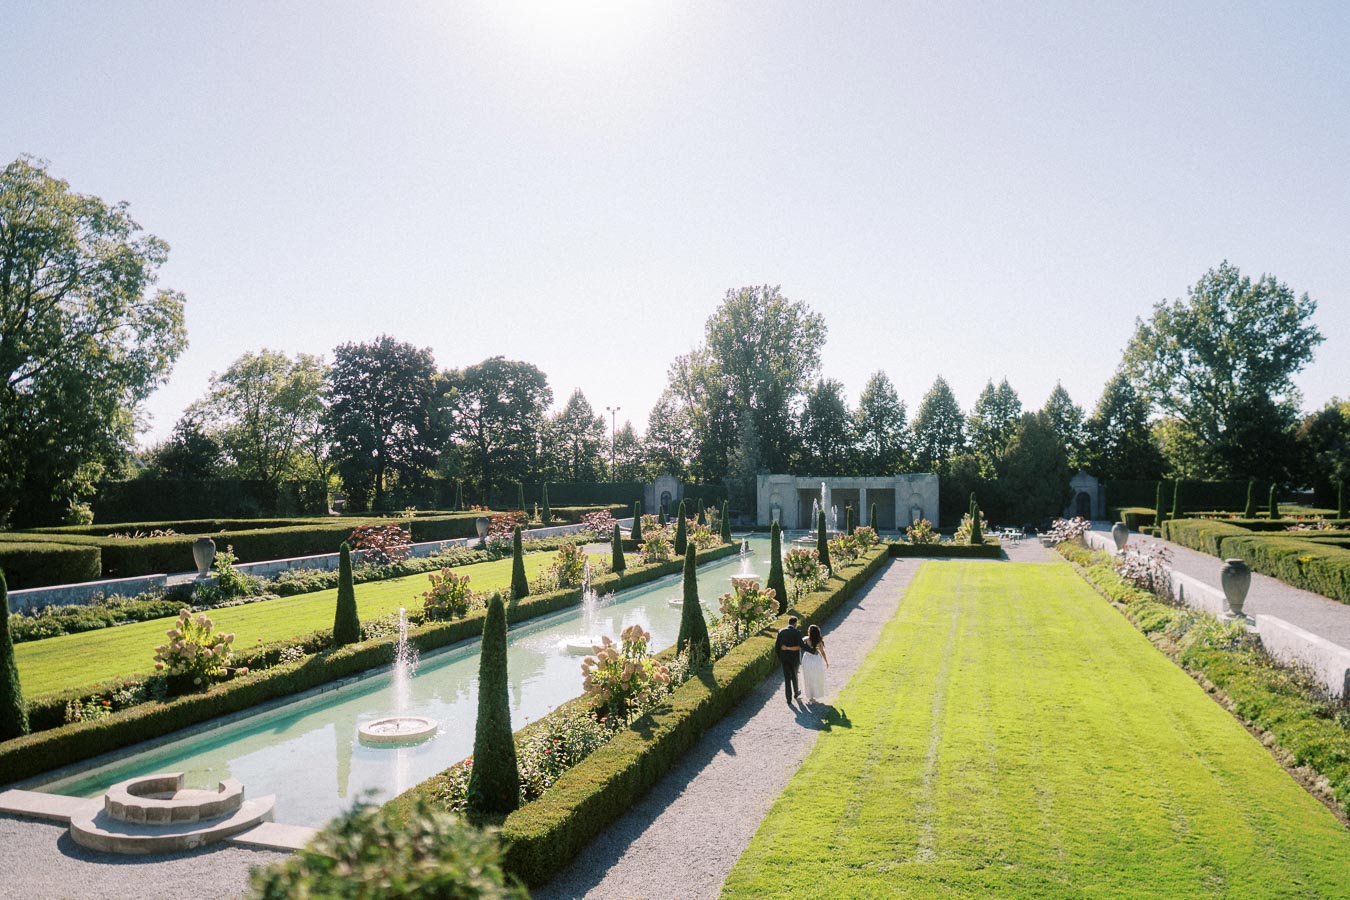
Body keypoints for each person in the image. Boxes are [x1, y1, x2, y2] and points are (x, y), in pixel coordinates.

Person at [774, 615, 804, 703]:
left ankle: (788, 698)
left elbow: (777, 647)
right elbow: (800, 647)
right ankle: (796, 693)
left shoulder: (781, 631)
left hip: (785, 659)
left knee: (787, 678)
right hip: (794, 658)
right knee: (794, 676)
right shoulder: (797, 632)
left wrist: (780, 657)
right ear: (795, 623)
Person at [801, 623, 829, 703]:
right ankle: (815, 694)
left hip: (807, 660)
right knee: (816, 677)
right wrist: (826, 661)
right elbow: (822, 653)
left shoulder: (805, 639)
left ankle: (810, 696)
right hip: (816, 660)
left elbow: (799, 645)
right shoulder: (819, 641)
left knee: (808, 677)